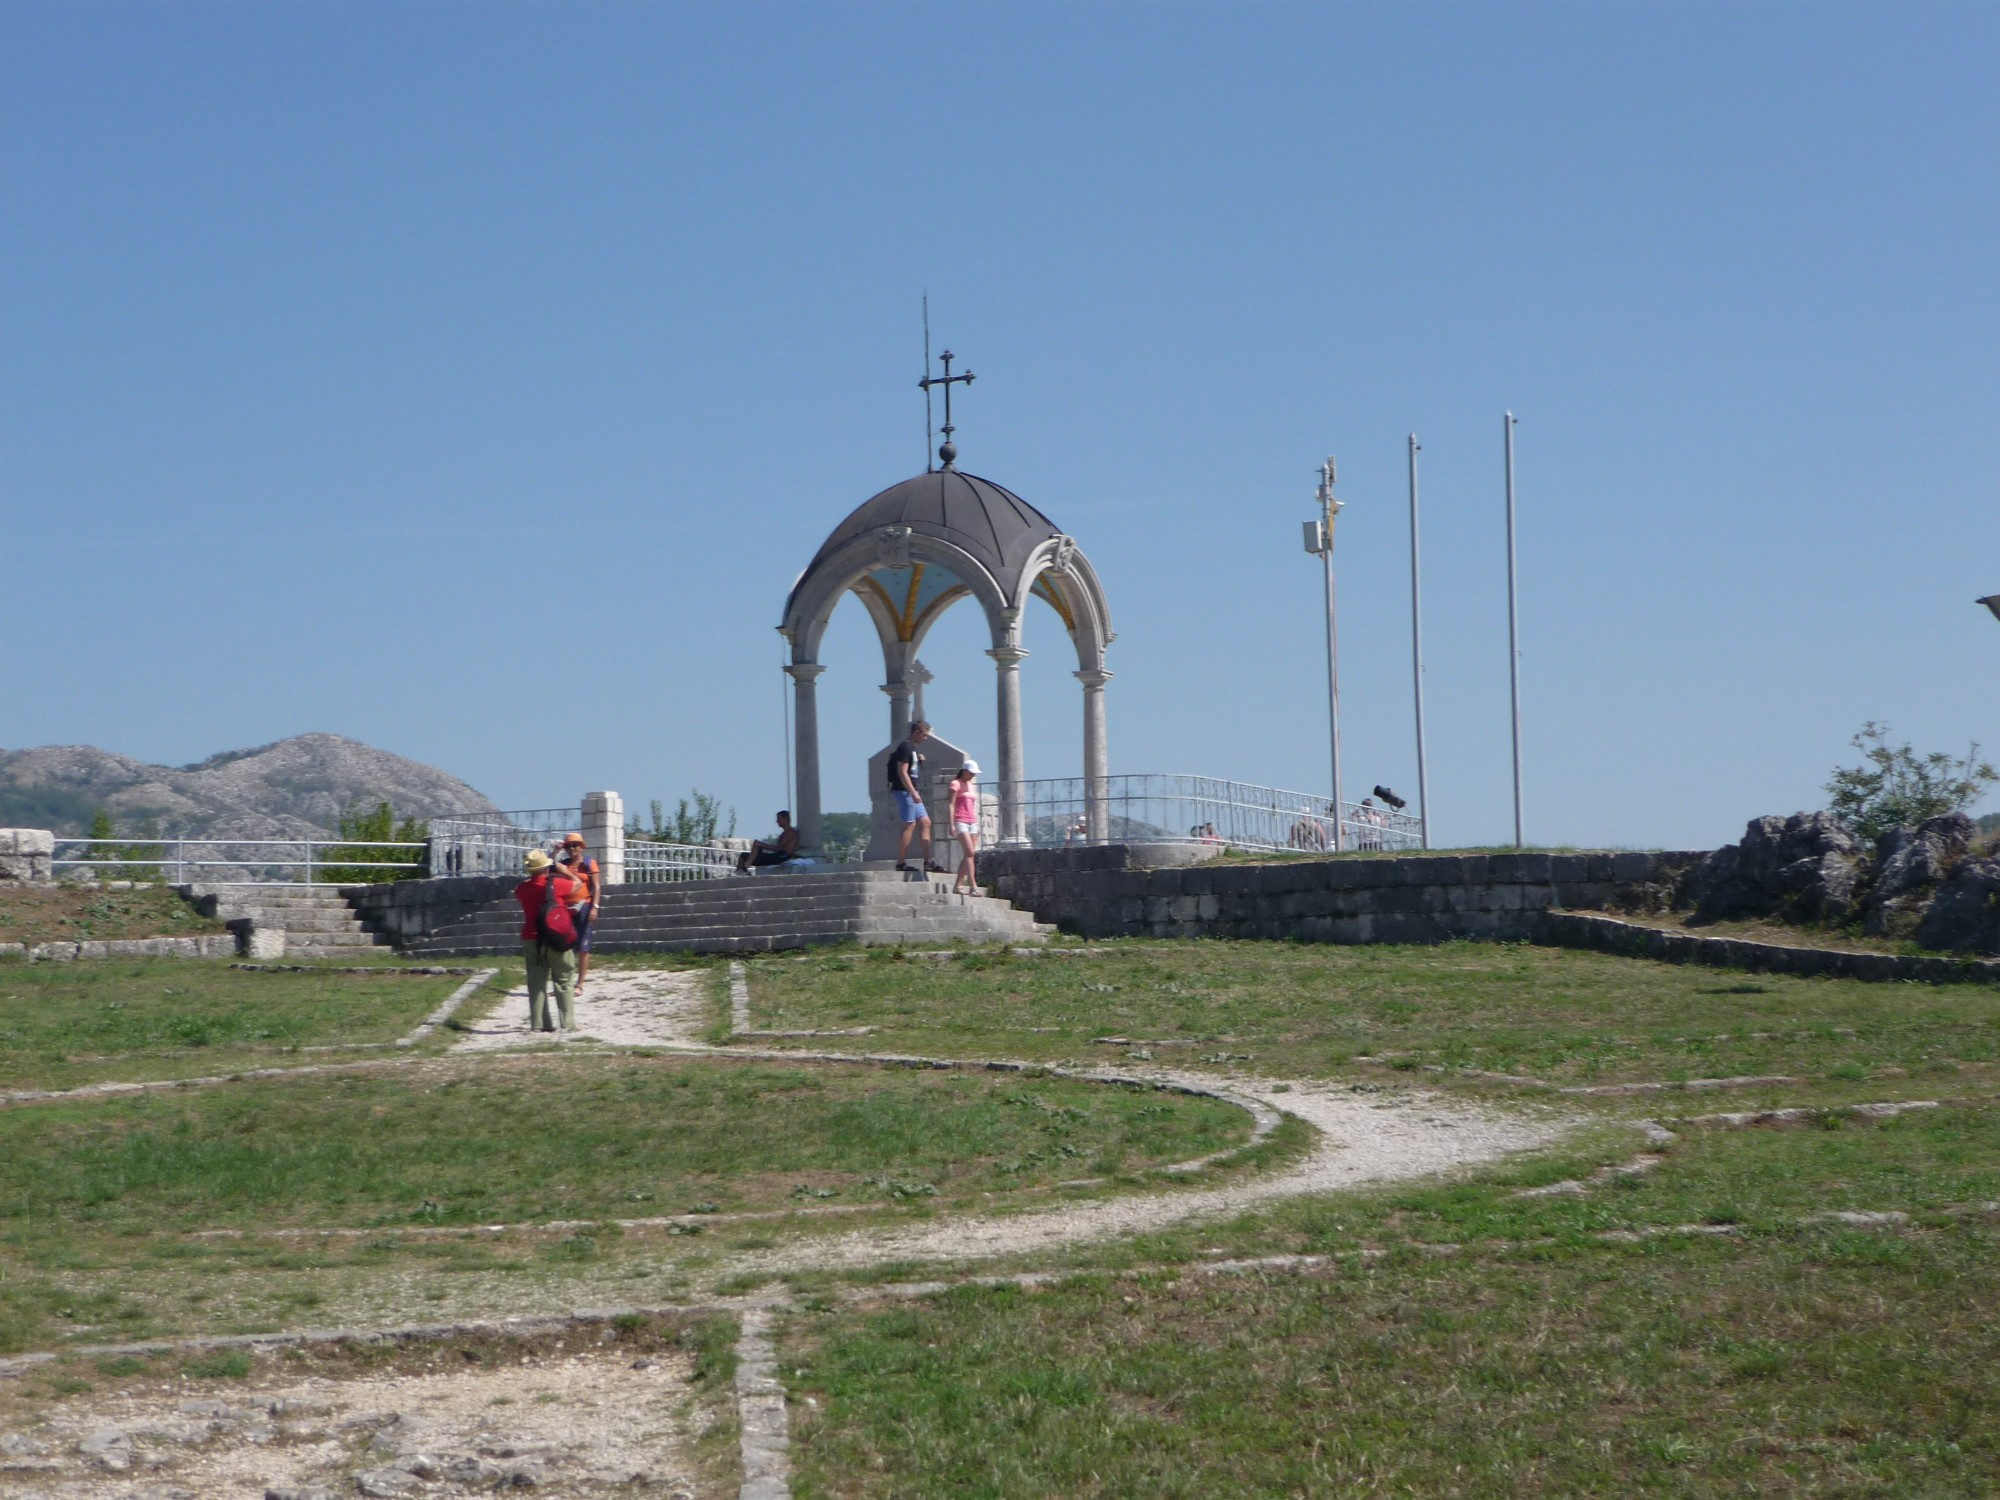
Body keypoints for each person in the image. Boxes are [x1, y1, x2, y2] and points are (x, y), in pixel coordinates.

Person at [515, 849, 580, 1034]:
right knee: (564, 980)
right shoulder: (557, 884)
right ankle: (567, 1023)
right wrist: (564, 870)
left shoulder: (521, 889)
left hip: (531, 937)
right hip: (556, 937)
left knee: (536, 982)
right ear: (547, 867)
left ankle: (539, 1024)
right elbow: (577, 884)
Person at [888, 719, 946, 872]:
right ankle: (900, 862)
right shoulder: (905, 747)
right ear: (917, 733)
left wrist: (918, 760)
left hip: (912, 791)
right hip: (905, 791)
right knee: (910, 824)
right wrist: (913, 792)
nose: (925, 738)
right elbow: (902, 771)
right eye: (924, 735)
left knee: (926, 822)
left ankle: (928, 861)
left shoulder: (912, 750)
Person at [557, 833, 601, 993]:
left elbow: (596, 887)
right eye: (569, 846)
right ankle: (565, 982)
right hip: (566, 907)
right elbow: (546, 868)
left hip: (584, 906)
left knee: (584, 945)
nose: (572, 848)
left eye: (575, 845)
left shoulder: (589, 863)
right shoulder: (563, 864)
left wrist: (595, 907)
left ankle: (580, 984)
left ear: (582, 846)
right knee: (564, 946)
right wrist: (555, 853)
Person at [948, 763, 981, 894]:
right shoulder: (955, 784)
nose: (973, 775)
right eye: (971, 773)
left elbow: (972, 806)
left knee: (969, 854)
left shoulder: (971, 786)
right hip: (960, 820)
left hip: (972, 821)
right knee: (969, 852)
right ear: (965, 771)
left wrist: (976, 824)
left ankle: (958, 885)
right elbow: (951, 804)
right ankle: (973, 886)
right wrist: (951, 824)